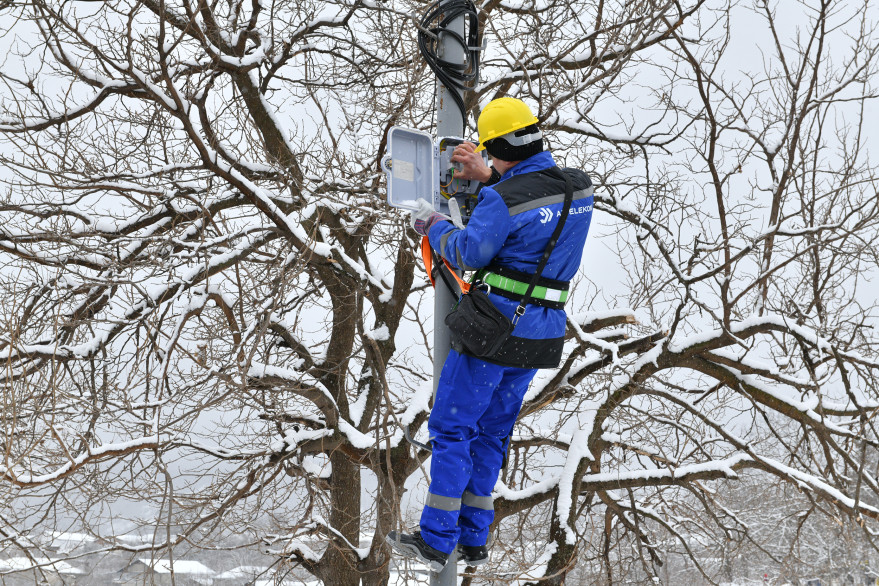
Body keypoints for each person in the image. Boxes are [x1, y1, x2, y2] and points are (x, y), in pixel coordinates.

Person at [387, 97, 595, 572]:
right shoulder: (578, 190)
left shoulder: (503, 198)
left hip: (492, 331)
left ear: (497, 147)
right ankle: (475, 539)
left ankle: (437, 540)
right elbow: (533, 202)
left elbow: (467, 251)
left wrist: (431, 223)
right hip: (542, 333)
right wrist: (490, 177)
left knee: (452, 427)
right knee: (492, 432)